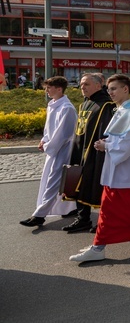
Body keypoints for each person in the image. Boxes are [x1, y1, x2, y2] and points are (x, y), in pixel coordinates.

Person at [69, 74, 130, 262]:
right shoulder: (122, 110)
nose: (110, 92)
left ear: (126, 89)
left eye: (114, 88)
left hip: (127, 173)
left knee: (123, 210)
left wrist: (106, 146)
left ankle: (101, 247)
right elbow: (122, 139)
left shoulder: (129, 112)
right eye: (109, 89)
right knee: (120, 211)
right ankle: (101, 245)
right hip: (122, 172)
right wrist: (108, 142)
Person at [20, 76, 77, 227]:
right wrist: (44, 140)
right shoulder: (53, 104)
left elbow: (63, 134)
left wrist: (48, 146)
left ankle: (39, 215)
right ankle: (69, 208)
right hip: (53, 148)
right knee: (51, 180)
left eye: (49, 88)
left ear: (59, 89)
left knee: (53, 181)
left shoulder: (67, 108)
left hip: (62, 150)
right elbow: (49, 128)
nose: (46, 91)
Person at [62, 73, 115, 234]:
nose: (82, 87)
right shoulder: (85, 103)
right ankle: (82, 218)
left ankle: (104, 221)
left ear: (99, 86)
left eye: (86, 84)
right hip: (80, 150)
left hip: (96, 153)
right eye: (81, 84)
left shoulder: (106, 105)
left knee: (96, 185)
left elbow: (107, 132)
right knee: (78, 184)